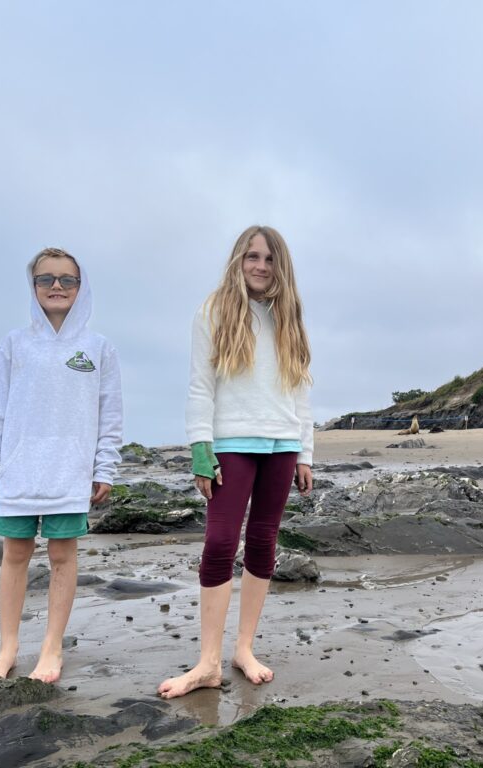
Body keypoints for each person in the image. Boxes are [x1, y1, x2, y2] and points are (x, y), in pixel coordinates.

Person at [158, 225, 313, 699]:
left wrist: (305, 451)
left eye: (269, 258)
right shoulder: (213, 310)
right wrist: (201, 450)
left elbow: (302, 387)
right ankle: (207, 661)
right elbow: (200, 384)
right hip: (231, 441)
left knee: (264, 539)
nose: (260, 266)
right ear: (238, 260)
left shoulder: (289, 316)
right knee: (221, 541)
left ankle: (243, 649)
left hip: (283, 443)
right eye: (252, 257)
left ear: (279, 265)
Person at [0, 247, 122, 682]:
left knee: (62, 555)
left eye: (66, 280)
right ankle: (8, 648)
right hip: (18, 471)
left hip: (69, 472)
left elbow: (110, 415)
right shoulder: (15, 344)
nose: (56, 287)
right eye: (46, 279)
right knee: (15, 554)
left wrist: (104, 468)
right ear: (33, 286)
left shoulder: (98, 348)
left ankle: (51, 648)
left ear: (81, 287)